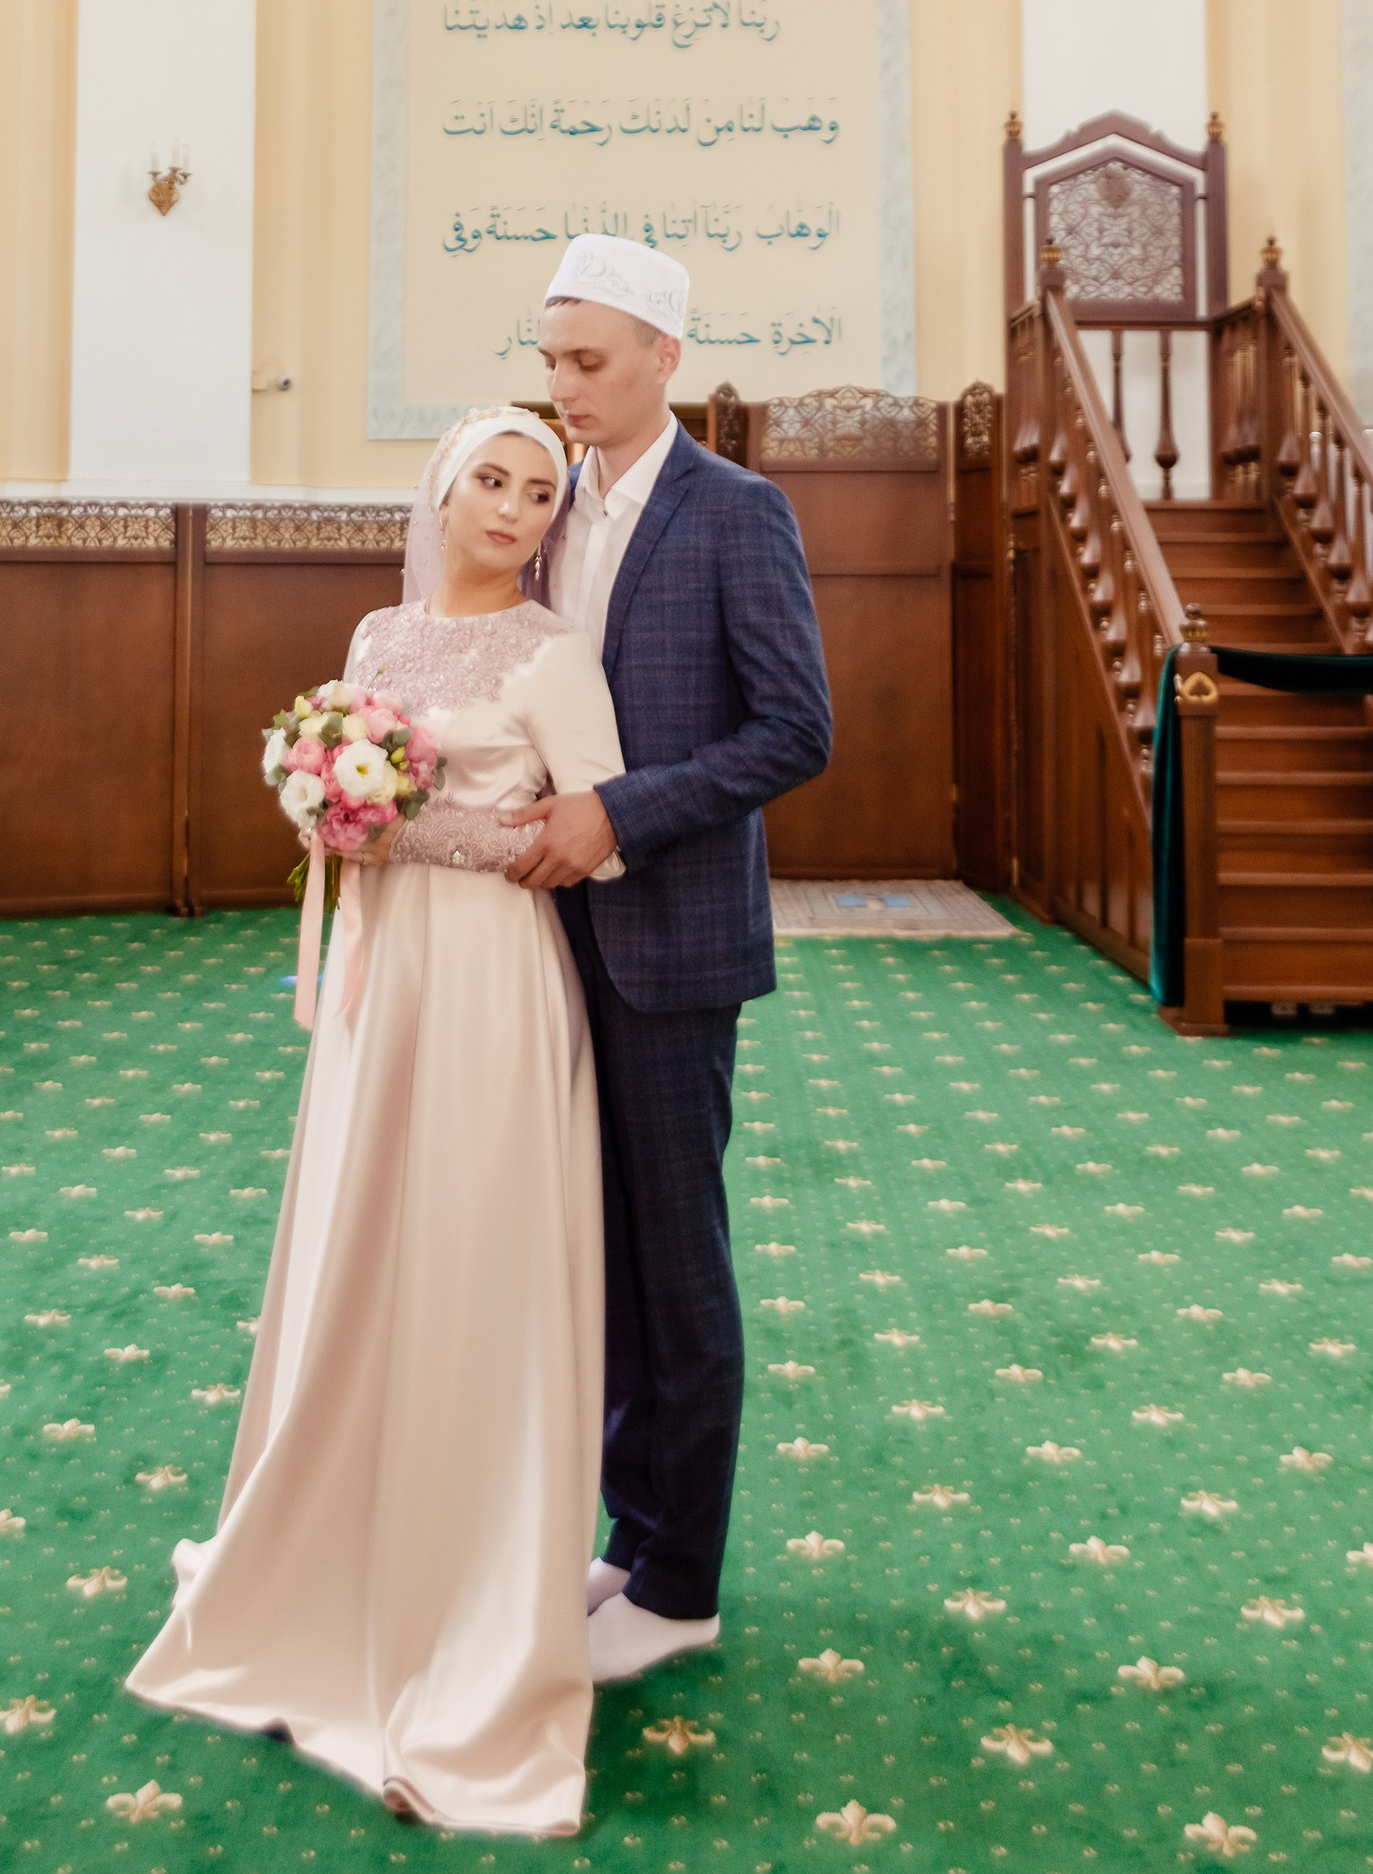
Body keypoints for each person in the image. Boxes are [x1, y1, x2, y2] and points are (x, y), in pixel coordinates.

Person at [125, 406, 625, 1840]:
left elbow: (587, 838)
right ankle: (323, 1552)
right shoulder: (376, 635)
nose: (515, 508)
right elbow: (343, 801)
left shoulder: (553, 654)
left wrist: (400, 823)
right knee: (361, 1240)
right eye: (493, 480)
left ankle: (469, 1607)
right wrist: (330, 806)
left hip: (491, 981)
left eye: (541, 491)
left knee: (469, 1253)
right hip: (381, 972)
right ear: (444, 490)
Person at [506, 234, 833, 1686]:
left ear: (663, 359)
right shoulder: (546, 506)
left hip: (672, 940)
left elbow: (795, 731)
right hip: (547, 937)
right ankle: (634, 1537)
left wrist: (618, 816)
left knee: (679, 1270)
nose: (564, 388)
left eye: (587, 361)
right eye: (551, 362)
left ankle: (683, 1584)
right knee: (605, 1258)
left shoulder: (737, 512)